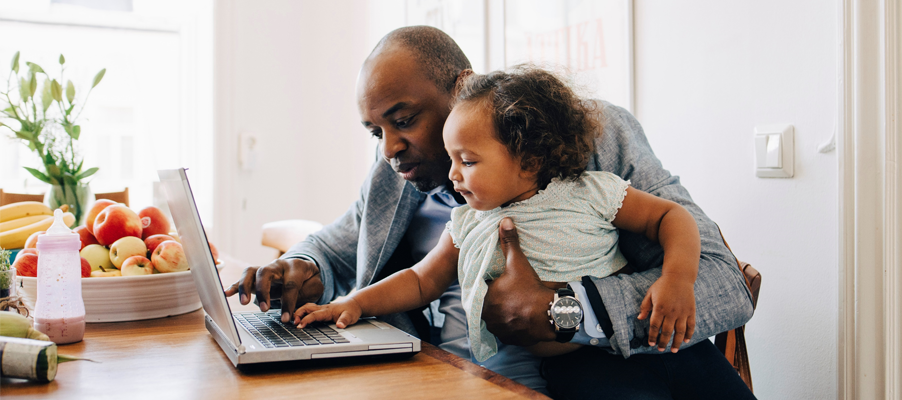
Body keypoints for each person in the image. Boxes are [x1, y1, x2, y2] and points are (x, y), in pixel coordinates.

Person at [225, 26, 756, 399]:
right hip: (425, 376)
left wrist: (564, 310)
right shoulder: (399, 169)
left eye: (403, 120)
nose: (388, 148)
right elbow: (340, 243)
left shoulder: (585, 140)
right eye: (374, 132)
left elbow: (723, 281)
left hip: (575, 371)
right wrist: (300, 265)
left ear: (461, 89)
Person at [292, 66, 700, 369]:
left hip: (632, 344)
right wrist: (353, 303)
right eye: (452, 159)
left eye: (467, 161)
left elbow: (671, 216)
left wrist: (677, 278)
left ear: (529, 160)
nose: (454, 175)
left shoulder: (588, 191)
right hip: (542, 364)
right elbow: (419, 280)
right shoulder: (469, 222)